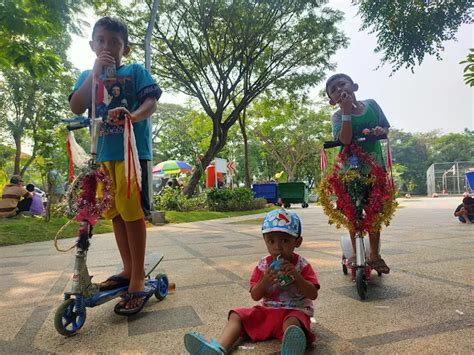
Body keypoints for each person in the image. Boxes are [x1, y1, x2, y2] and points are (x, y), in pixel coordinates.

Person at [69, 16, 162, 315]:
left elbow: (151, 102)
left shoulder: (135, 71)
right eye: (102, 41)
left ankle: (137, 277)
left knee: (132, 213)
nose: (108, 47)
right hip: (103, 157)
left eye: (115, 43)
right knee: (116, 214)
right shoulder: (87, 74)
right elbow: (76, 105)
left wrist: (133, 117)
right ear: (92, 45)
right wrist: (93, 74)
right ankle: (126, 268)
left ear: (125, 47)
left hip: (131, 154)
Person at [184, 209, 320, 354]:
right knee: (236, 315)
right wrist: (265, 281)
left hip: (294, 311)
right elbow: (255, 295)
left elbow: (313, 294)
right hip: (268, 312)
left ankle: (291, 348)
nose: (277, 247)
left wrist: (297, 276)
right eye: (271, 241)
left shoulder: (302, 265)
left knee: (293, 323)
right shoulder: (263, 266)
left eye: (285, 240)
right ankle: (218, 348)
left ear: (297, 242)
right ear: (265, 241)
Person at [326, 73, 391, 274]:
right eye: (334, 90)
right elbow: (344, 139)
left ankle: (375, 255)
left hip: (374, 170)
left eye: (342, 84)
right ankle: (354, 252)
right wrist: (346, 112)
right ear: (332, 101)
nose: (339, 90)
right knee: (353, 211)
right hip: (350, 171)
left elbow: (385, 129)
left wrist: (380, 130)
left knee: (374, 210)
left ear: (354, 86)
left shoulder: (372, 105)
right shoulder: (337, 116)